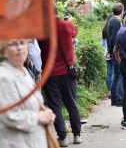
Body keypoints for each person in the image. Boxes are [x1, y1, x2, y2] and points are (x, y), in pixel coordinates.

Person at [0, 38, 56, 148]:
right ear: (3, 50)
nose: (19, 47)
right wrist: (38, 117)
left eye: (22, 43)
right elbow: (8, 116)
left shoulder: (23, 71)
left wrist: (45, 111)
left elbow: (29, 104)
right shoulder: (2, 77)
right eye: (13, 44)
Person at [39, 9, 83, 147]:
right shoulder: (66, 25)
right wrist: (69, 21)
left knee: (55, 106)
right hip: (67, 72)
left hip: (50, 74)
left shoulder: (41, 29)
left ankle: (62, 138)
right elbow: (74, 33)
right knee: (72, 103)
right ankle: (77, 135)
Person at [106, 3, 124, 106]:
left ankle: (114, 99)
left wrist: (109, 50)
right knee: (120, 75)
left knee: (116, 76)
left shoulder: (111, 20)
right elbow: (114, 38)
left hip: (112, 52)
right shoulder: (116, 21)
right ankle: (120, 99)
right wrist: (114, 51)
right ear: (121, 11)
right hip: (116, 53)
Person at [101, 16, 113, 98]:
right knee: (114, 72)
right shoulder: (113, 28)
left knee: (109, 72)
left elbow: (102, 44)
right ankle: (114, 91)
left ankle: (109, 91)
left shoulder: (104, 30)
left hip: (106, 53)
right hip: (112, 51)